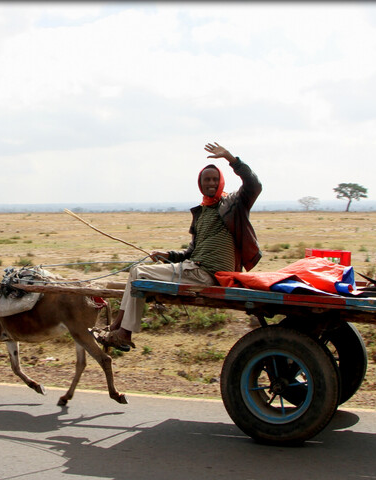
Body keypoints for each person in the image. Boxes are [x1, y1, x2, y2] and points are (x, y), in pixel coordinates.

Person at [94, 142, 262, 351]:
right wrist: (168, 255)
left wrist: (231, 159)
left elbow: (254, 186)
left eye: (215, 179)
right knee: (138, 272)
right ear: (200, 184)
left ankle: (123, 331)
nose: (211, 183)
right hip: (194, 268)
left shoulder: (233, 204)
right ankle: (118, 327)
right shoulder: (202, 212)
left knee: (139, 273)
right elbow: (191, 252)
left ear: (221, 182)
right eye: (207, 180)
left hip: (208, 273)